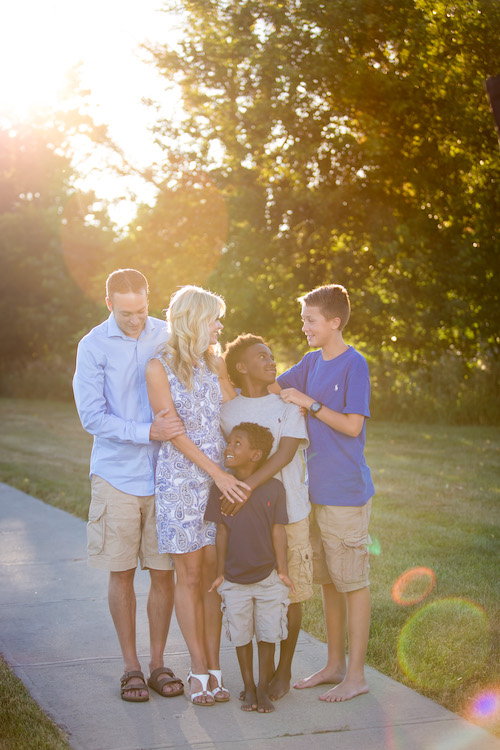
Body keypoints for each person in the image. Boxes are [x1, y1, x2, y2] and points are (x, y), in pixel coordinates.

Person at [73, 268, 186, 703]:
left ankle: (158, 662)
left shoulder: (165, 334)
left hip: (166, 475)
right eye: (126, 313)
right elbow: (92, 416)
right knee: (121, 572)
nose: (136, 320)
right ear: (108, 305)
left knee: (163, 573)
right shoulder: (92, 345)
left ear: (148, 300)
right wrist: (146, 432)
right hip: (116, 475)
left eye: (141, 310)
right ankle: (131, 666)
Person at [145, 285, 249, 707]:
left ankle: (217, 669)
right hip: (182, 484)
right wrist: (217, 474)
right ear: (192, 319)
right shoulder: (158, 368)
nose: (220, 326)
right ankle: (197, 669)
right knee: (187, 577)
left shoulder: (216, 363)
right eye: (214, 318)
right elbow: (175, 434)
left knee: (212, 577)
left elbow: (235, 412)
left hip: (218, 480)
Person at [276, 283, 375, 703]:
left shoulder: (355, 364)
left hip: (345, 493)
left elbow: (353, 425)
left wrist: (309, 403)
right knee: (329, 583)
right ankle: (334, 665)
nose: (305, 327)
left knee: (353, 582)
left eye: (310, 320)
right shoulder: (310, 362)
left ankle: (356, 675)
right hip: (312, 492)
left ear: (334, 322)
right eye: (303, 320)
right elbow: (272, 387)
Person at [220, 334, 312, 701]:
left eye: (272, 356)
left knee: (290, 592)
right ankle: (256, 672)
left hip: (290, 513)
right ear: (241, 367)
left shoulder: (287, 405)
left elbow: (285, 454)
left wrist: (246, 490)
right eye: (262, 356)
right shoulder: (227, 413)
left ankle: (283, 670)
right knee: (253, 594)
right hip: (246, 522)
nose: (271, 361)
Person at [205, 423, 295, 714]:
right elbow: (221, 533)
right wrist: (219, 573)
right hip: (233, 579)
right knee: (241, 636)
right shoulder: (220, 488)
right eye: (229, 443)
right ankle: (249, 688)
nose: (228, 448)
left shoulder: (274, 488)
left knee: (268, 635)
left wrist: (282, 571)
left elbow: (278, 531)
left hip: (268, 578)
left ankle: (263, 688)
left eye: (237, 444)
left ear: (256, 455)